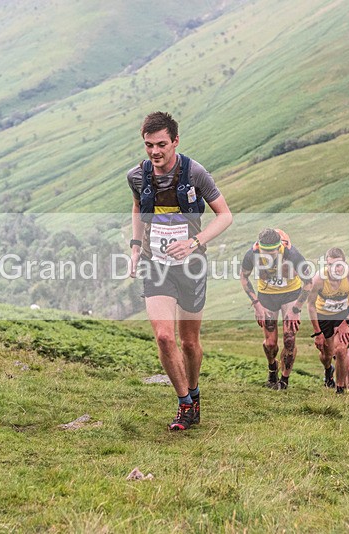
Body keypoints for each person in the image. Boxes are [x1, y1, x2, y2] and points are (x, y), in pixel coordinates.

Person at [128, 111, 233, 431]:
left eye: (161, 144)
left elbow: (225, 216)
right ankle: (185, 404)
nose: (155, 152)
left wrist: (194, 242)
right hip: (155, 264)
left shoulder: (195, 173)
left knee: (189, 342)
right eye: (148, 145)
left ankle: (195, 392)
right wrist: (135, 248)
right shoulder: (137, 175)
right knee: (163, 336)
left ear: (175, 141)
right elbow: (137, 207)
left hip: (191, 265)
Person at [240, 228, 313, 390]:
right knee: (271, 343)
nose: (269, 255)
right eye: (265, 252)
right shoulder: (251, 254)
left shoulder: (292, 254)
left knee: (289, 338)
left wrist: (296, 309)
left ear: (279, 246)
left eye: (273, 252)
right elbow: (244, 278)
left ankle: (284, 380)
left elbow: (308, 282)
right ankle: (272, 368)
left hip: (290, 294)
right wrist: (256, 304)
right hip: (266, 295)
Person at [302, 248, 349, 393]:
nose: (335, 269)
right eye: (331, 265)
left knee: (340, 350)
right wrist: (317, 333)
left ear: (345, 264)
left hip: (343, 313)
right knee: (327, 354)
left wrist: (347, 322)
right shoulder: (319, 279)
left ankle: (340, 389)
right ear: (326, 265)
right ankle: (328, 369)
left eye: (338, 265)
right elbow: (311, 305)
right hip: (323, 315)